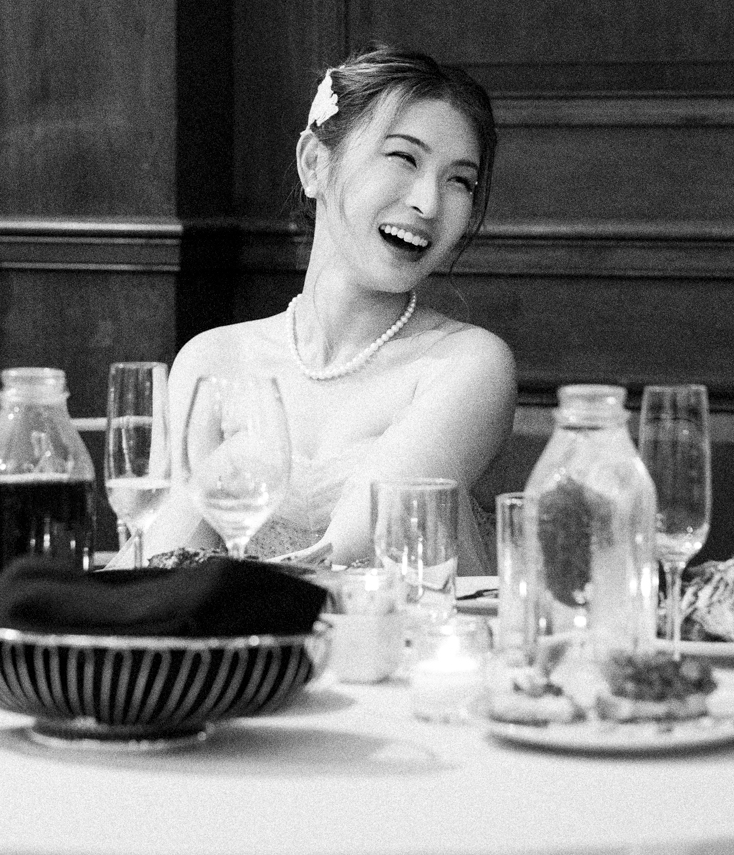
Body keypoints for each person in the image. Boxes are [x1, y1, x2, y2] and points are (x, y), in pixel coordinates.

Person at [140, 46, 517, 574]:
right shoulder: (212, 361)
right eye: (404, 158)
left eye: (460, 181)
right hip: (257, 655)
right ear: (315, 163)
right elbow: (160, 566)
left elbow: (343, 559)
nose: (429, 204)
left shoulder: (468, 364)